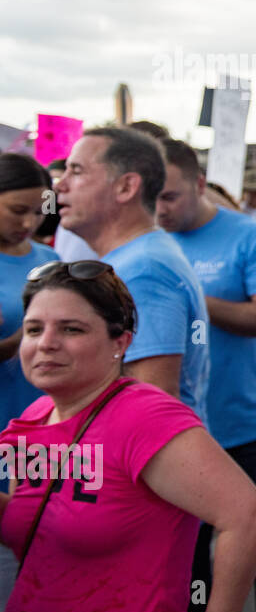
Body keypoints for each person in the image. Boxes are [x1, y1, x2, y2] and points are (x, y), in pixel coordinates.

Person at [0, 261, 256, 612]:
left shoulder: (144, 417)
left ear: (120, 343)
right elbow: (34, 523)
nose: (46, 343)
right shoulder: (37, 415)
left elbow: (246, 515)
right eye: (33, 329)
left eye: (71, 329)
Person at [155, 139, 256, 612]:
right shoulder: (147, 243)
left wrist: (192, 299)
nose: (160, 208)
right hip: (173, 436)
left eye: (170, 196)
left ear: (199, 183)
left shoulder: (252, 238)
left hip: (244, 425)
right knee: (185, 553)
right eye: (152, 196)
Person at [54, 128, 209, 422]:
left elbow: (152, 406)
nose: (60, 185)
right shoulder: (140, 258)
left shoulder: (141, 271)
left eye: (76, 171)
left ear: (126, 187)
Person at [0, 155, 59, 429]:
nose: (28, 224)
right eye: (18, 210)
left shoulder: (50, 260)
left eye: (38, 212)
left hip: (41, 420)